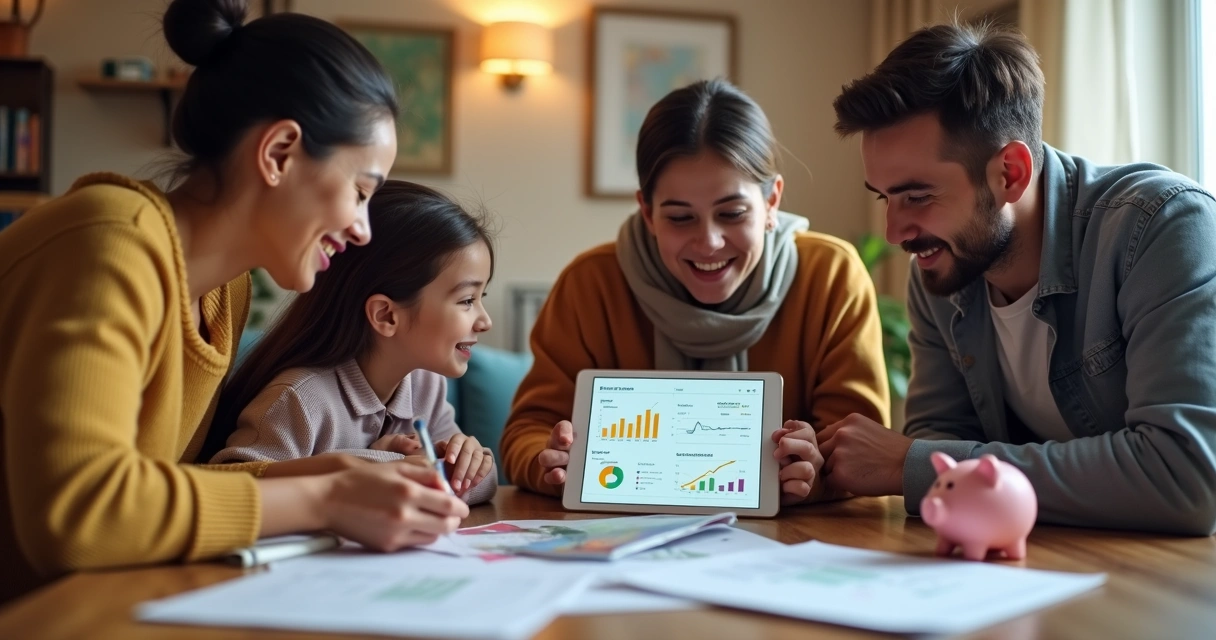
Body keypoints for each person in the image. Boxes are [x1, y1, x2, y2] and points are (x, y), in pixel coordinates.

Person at [0, 0, 467, 604]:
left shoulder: (225, 291)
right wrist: (325, 497)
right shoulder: (109, 243)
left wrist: (337, 471)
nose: (363, 230)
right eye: (359, 192)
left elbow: (162, 489)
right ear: (278, 153)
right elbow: (81, 515)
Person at [821, 21, 1216, 535]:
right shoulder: (943, 266)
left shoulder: (1162, 228)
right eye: (884, 197)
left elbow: (1184, 477)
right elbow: (939, 440)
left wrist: (908, 466)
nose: (894, 232)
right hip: (1041, 561)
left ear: (1010, 172)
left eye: (917, 196)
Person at [501, 79, 890, 502]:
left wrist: (816, 470)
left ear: (772, 202)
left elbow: (860, 445)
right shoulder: (591, 283)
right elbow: (528, 430)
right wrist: (551, 461)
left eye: (732, 213)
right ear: (647, 212)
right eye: (680, 218)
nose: (709, 242)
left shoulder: (832, 275)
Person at [208, 181, 498, 505]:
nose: (485, 321)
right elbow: (229, 494)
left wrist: (472, 461)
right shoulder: (299, 400)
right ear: (386, 315)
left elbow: (479, 484)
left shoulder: (426, 385)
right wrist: (383, 462)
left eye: (480, 297)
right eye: (467, 300)